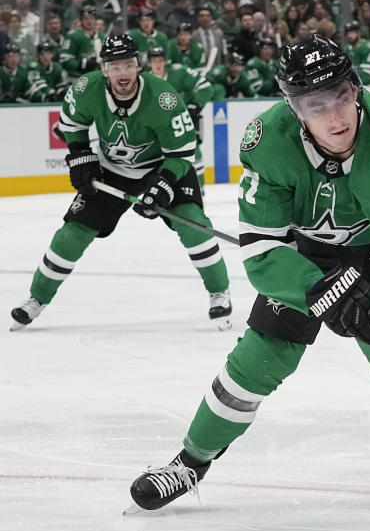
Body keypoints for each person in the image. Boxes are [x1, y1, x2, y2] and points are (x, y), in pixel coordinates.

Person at [125, 35, 370, 531]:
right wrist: (317, 287)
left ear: (356, 89)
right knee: (260, 356)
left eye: (341, 96)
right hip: (311, 253)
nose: (334, 117)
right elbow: (262, 251)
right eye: (313, 104)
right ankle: (189, 463)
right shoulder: (268, 141)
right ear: (293, 106)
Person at [10, 35, 232, 331]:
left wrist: (163, 184)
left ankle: (219, 292)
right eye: (115, 67)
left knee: (192, 222)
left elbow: (182, 153)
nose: (122, 73)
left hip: (163, 167)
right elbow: (71, 125)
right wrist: (80, 156)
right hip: (113, 170)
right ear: (104, 70)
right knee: (72, 232)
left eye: (127, 65)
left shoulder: (163, 98)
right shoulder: (85, 89)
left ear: (138, 66)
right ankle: (36, 298)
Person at [146, 46, 214, 187]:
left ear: (165, 62)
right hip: (158, 127)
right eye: (154, 61)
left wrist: (196, 105)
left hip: (182, 121)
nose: (157, 64)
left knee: (193, 152)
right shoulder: (144, 81)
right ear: (149, 63)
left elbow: (205, 86)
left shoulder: (180, 72)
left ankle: (199, 188)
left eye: (160, 60)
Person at [60, 5, 104, 77]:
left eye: (92, 18)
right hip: (77, 77)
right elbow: (64, 60)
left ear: (96, 20)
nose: (89, 21)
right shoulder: (73, 36)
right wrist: (81, 64)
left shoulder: (102, 36)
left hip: (98, 76)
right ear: (81, 20)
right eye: (86, 18)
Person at [344, 20, 370, 93]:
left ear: (358, 33)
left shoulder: (368, 47)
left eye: (352, 33)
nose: (349, 36)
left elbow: (367, 72)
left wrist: (352, 84)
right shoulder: (347, 48)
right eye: (347, 33)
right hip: (361, 88)